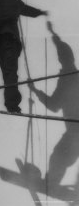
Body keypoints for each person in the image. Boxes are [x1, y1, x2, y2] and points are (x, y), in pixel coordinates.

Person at [29, 22, 79, 187]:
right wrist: (53, 33)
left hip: (75, 130)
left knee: (59, 156)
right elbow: (63, 49)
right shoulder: (72, 75)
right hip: (74, 130)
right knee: (62, 157)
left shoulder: (68, 77)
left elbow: (54, 105)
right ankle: (55, 184)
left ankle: (51, 184)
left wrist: (35, 91)